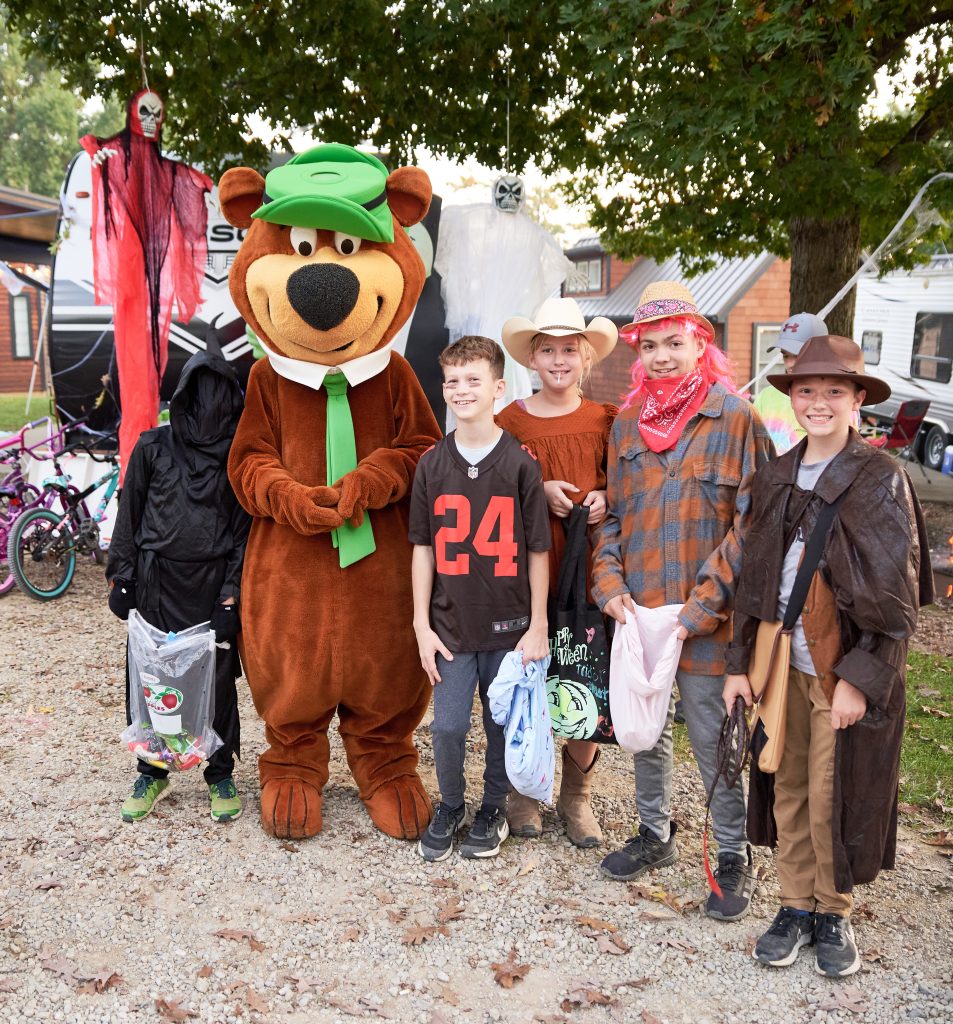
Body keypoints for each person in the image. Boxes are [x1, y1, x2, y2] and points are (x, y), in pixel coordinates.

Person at [724, 335, 932, 976]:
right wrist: (738, 666)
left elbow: (895, 602)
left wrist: (861, 681)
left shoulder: (879, 480)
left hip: (838, 666)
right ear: (793, 398)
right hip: (776, 662)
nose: (818, 402)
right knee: (784, 784)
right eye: (806, 390)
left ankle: (832, 910)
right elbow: (751, 584)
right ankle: (792, 905)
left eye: (834, 391)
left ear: (857, 400)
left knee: (830, 789)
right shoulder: (776, 474)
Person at [592, 281, 773, 921]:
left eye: (676, 342)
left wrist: (705, 603)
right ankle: (654, 831)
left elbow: (753, 525)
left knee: (713, 735)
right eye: (652, 346)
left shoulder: (736, 420)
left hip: (708, 621)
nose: (663, 356)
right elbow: (610, 519)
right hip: (641, 611)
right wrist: (610, 587)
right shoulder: (624, 427)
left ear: (702, 343)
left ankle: (731, 855)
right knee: (645, 732)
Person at [409, 336, 551, 861]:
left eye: (474, 380)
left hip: (509, 624)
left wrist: (537, 624)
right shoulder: (431, 463)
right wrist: (421, 626)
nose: (462, 390)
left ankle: (492, 808)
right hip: (448, 625)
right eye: (452, 381)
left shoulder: (519, 463)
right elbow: (422, 549)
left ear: (498, 388)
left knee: (498, 726)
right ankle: (451, 804)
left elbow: (539, 549)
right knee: (446, 725)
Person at [107, 344, 251, 824]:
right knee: (153, 677)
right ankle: (151, 769)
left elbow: (242, 531)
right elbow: (129, 513)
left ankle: (219, 769)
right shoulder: (153, 446)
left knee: (219, 680)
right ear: (185, 397)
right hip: (156, 579)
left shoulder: (237, 458)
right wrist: (121, 577)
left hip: (211, 584)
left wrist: (233, 592)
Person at [497, 297, 618, 848]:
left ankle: (576, 797)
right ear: (532, 358)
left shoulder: (604, 420)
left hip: (589, 569)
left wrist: (604, 496)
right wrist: (535, 491)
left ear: (585, 357)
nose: (559, 359)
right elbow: (488, 483)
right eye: (548, 350)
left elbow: (629, 484)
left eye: (570, 349)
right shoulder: (510, 421)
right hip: (527, 570)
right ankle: (523, 790)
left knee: (583, 677)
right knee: (532, 675)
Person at [752, 313, 829, 455]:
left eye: (798, 354)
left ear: (821, 353)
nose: (789, 363)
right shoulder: (766, 396)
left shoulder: (836, 400)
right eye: (785, 355)